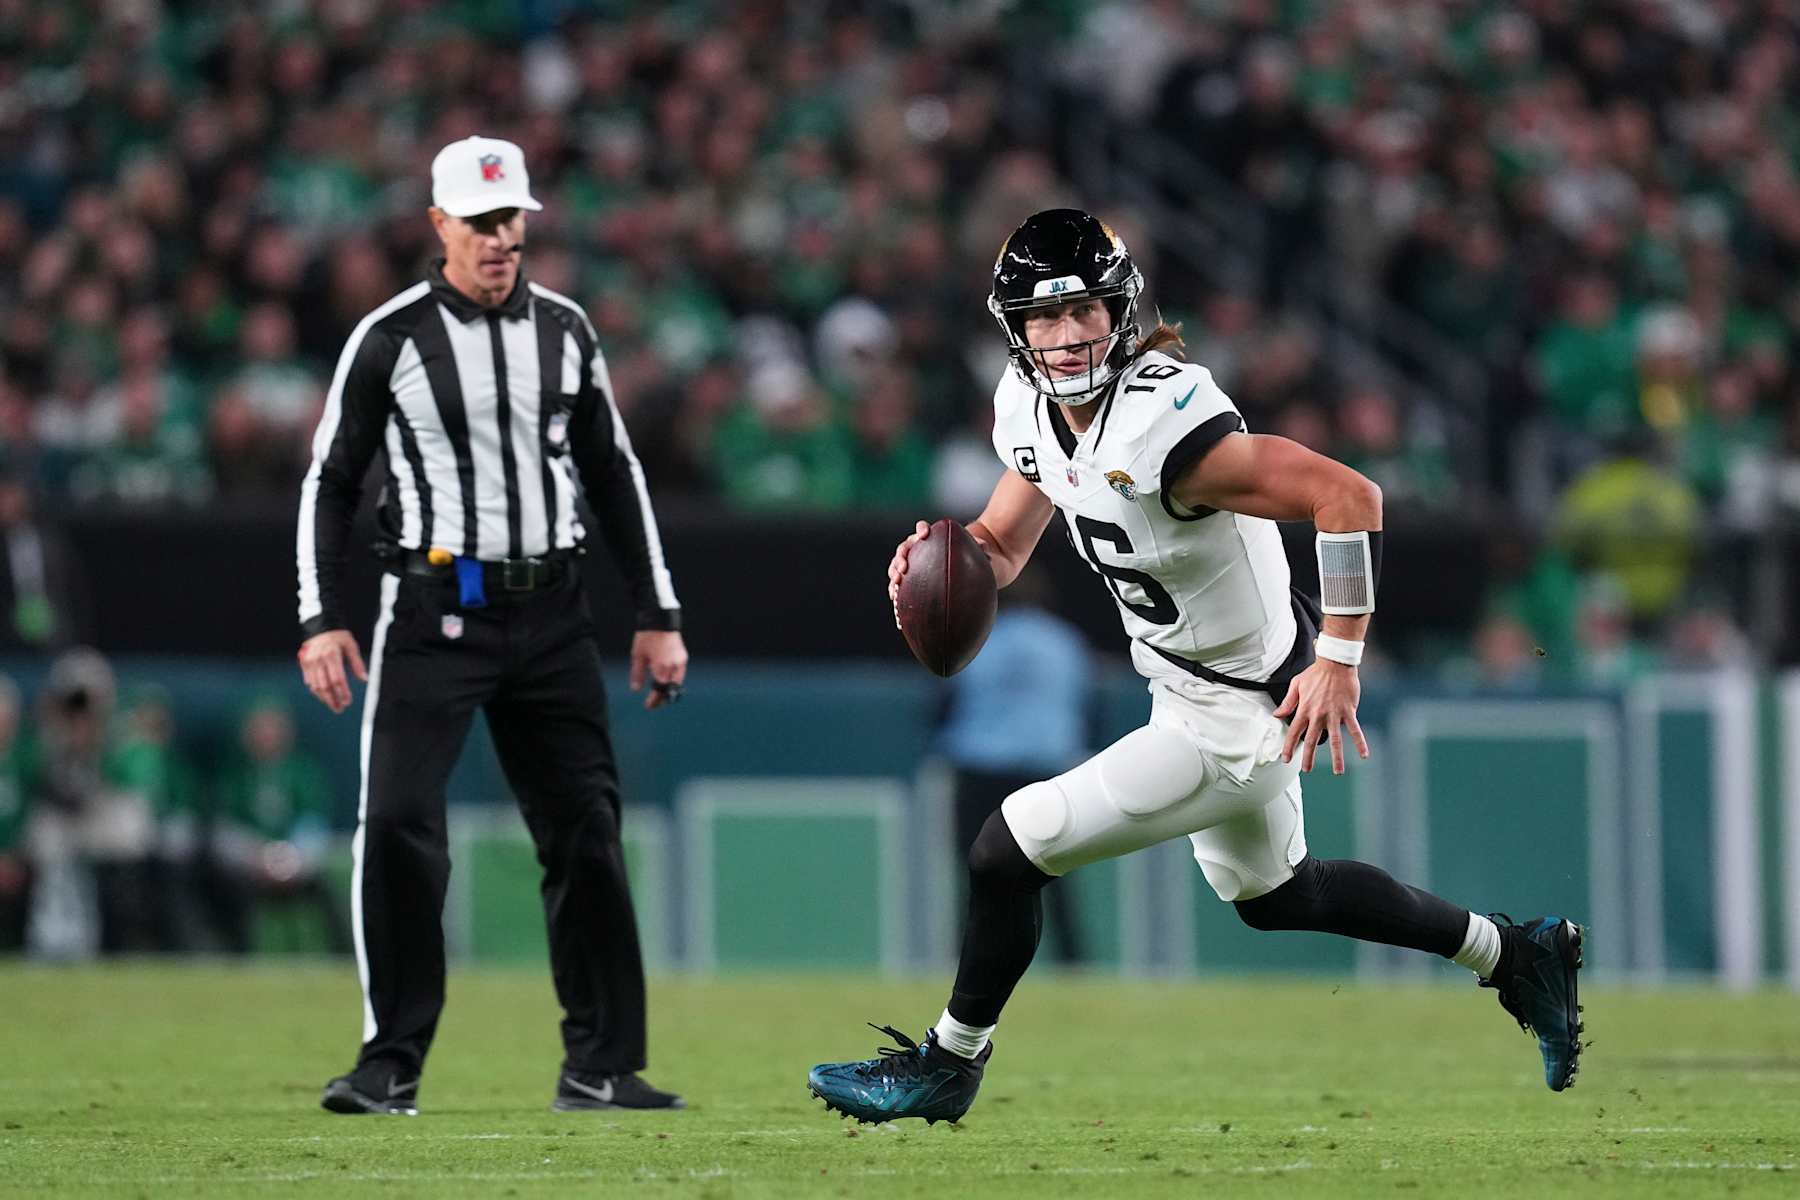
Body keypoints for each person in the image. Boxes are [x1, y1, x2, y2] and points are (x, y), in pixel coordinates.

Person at [807, 210, 1584, 1125]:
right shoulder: (1030, 409)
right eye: (1043, 318)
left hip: (1235, 713)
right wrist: (941, 561)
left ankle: (949, 1062)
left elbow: (1348, 496)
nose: (1065, 336)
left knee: (1007, 848)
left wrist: (1341, 659)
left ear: (1120, 310)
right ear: (1015, 328)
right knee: (1279, 894)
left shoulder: (1164, 429)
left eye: (1083, 311)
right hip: (1185, 683)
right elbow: (1003, 543)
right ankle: (1518, 956)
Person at [296, 136, 689, 1116]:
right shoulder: (390, 337)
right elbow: (331, 480)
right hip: (434, 608)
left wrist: (657, 612)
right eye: (479, 221)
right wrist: (320, 617)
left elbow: (613, 471)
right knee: (397, 826)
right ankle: (390, 1062)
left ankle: (601, 1065)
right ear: (440, 225)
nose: (500, 237)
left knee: (586, 833)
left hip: (551, 611)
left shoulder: (565, 329)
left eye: (511, 217)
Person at [937, 563, 1090, 964]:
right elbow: (1086, 710)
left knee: (976, 875)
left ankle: (966, 966)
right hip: (1046, 771)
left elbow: (944, 705)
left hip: (980, 769)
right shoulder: (1065, 642)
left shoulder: (975, 640)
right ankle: (1073, 968)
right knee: (1055, 876)